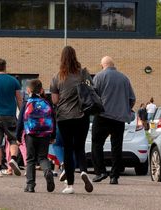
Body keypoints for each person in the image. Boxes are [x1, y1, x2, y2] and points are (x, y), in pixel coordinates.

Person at [50, 46, 93, 194]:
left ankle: (70, 185)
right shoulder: (83, 74)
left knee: (68, 149)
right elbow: (91, 91)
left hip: (64, 117)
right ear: (75, 57)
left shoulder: (57, 77)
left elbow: (55, 100)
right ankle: (83, 171)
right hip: (82, 116)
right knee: (79, 146)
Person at [91, 56, 136, 185]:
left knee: (97, 143)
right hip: (119, 118)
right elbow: (132, 99)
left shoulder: (99, 77)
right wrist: (125, 109)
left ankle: (100, 171)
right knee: (117, 147)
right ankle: (114, 176)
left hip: (102, 116)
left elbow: (93, 97)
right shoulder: (124, 78)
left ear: (102, 65)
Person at [0, 58, 23, 177]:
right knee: (13, 139)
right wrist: (22, 113)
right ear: (5, 67)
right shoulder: (13, 81)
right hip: (10, 115)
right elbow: (19, 99)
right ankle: (12, 159)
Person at [17, 79, 56, 193]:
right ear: (41, 90)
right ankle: (47, 171)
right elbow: (53, 120)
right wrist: (53, 136)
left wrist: (18, 136)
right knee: (43, 157)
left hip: (31, 135)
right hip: (45, 135)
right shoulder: (47, 103)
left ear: (28, 90)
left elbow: (20, 121)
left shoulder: (26, 103)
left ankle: (30, 185)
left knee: (30, 159)